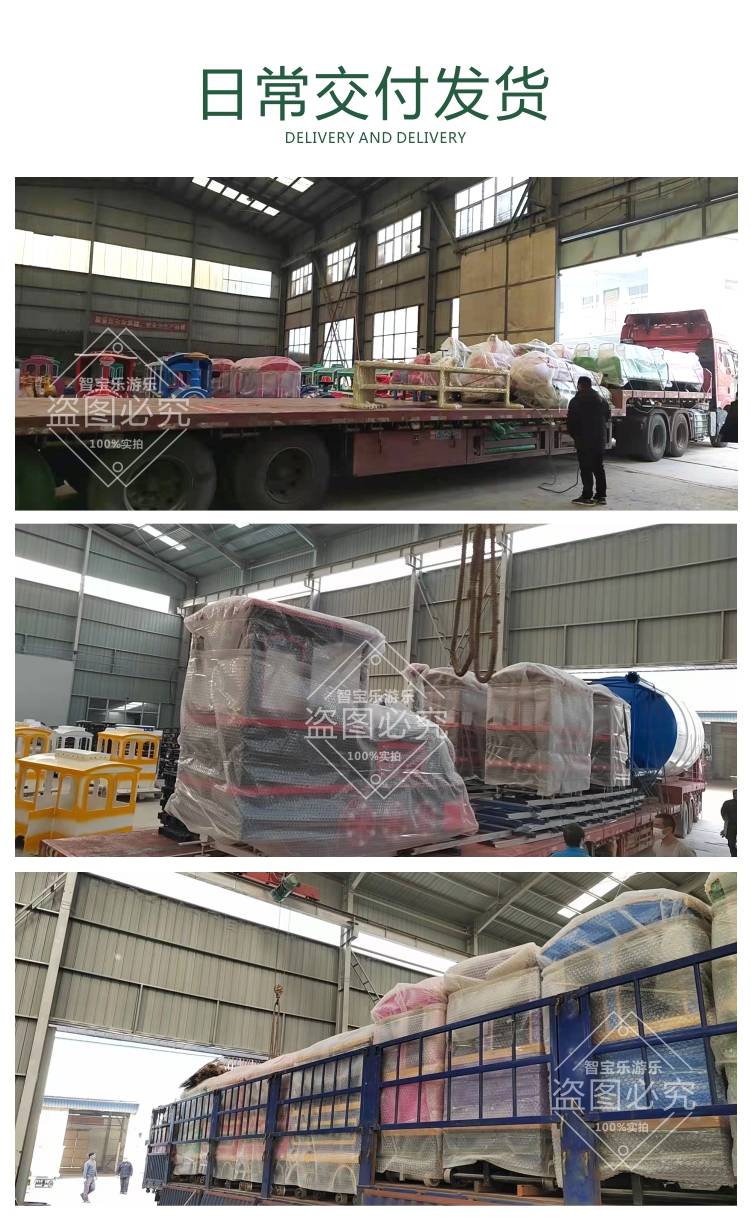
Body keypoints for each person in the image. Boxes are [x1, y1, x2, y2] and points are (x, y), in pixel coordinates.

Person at [566, 375, 611, 505]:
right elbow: (608, 417)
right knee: (598, 467)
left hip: (584, 440)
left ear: (579, 385)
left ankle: (587, 496)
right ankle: (601, 496)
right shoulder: (601, 400)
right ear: (590, 385)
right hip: (599, 440)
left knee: (586, 468)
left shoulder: (576, 401)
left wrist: (576, 436)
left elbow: (571, 423)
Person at [720, 788, 737, 857]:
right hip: (731, 826)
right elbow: (723, 814)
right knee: (731, 843)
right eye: (735, 794)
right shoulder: (727, 803)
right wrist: (725, 828)